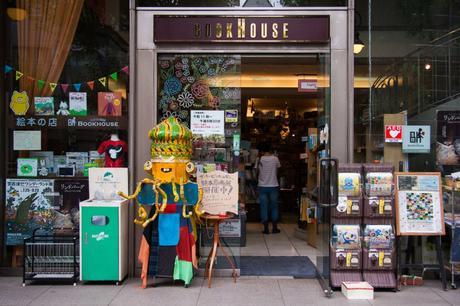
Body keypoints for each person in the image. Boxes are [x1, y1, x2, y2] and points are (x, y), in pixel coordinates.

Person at [256, 142, 281, 234]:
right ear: (270, 149)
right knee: (274, 206)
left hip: (262, 186)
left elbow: (256, 171)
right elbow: (277, 170)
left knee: (263, 206)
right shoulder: (275, 159)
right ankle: (274, 228)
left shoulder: (259, 159)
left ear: (262, 150)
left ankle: (266, 228)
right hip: (273, 185)